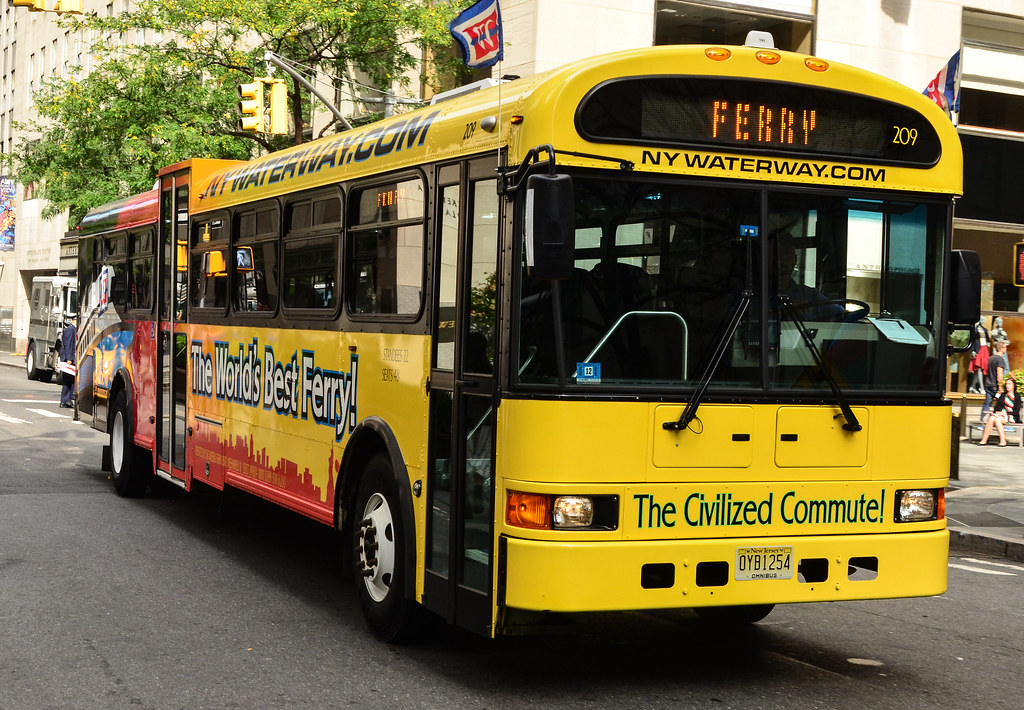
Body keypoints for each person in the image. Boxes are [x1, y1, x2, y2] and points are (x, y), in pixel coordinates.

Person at [777, 235, 844, 320]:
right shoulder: (758, 294)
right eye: (777, 253)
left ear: (795, 260)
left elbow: (841, 313)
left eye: (788, 253)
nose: (782, 258)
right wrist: (783, 311)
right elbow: (756, 318)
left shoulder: (809, 295)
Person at [978, 376, 1021, 446]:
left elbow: (1016, 411)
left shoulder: (1017, 396)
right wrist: (997, 412)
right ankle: (984, 440)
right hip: (1000, 415)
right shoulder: (1003, 395)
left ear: (1014, 386)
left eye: (1009, 384)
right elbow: (996, 407)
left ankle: (1003, 441)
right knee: (991, 418)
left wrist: (1005, 413)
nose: (1007, 386)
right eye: (1006, 384)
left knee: (997, 420)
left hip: (1011, 415)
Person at [981, 339, 1008, 422]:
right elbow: (999, 373)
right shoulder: (1000, 359)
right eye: (1005, 347)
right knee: (1002, 404)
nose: (1006, 349)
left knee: (987, 403)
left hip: (988, 384)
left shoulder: (991, 358)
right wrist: (1001, 387)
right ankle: (1000, 421)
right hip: (995, 385)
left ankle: (983, 421)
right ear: (1001, 349)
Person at [59, 319, 76, 408]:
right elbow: (68, 344)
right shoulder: (70, 330)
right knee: (68, 380)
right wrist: (69, 358)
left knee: (72, 380)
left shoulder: (73, 329)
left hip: (71, 359)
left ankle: (68, 399)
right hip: (69, 360)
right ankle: (64, 400)